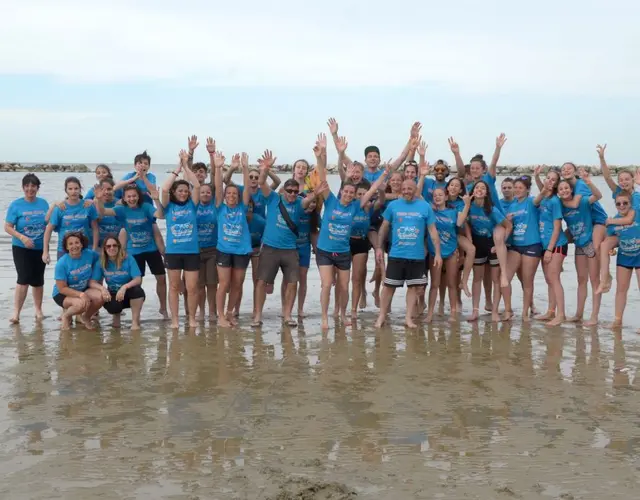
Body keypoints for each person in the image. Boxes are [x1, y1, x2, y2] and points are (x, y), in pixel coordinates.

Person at [252, 150, 316, 327]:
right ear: (283, 191)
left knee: (292, 282)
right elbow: (262, 182)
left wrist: (316, 190)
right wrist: (265, 168)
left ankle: (287, 315)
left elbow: (309, 198)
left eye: (296, 191)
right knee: (261, 281)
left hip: (290, 249)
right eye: (289, 191)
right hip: (270, 248)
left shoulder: (299, 203)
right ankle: (257, 316)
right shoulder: (273, 199)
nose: (293, 194)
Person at [374, 179, 442, 328]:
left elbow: (432, 230)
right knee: (388, 287)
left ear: (415, 189)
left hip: (416, 256)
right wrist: (379, 247)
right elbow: (384, 227)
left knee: (413, 288)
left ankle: (408, 318)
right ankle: (381, 316)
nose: (406, 191)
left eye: (409, 188)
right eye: (404, 188)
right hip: (396, 254)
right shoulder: (393, 206)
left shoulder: (425, 207)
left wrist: (437, 253)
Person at [93, 183, 168, 319]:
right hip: (134, 251)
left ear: (138, 196)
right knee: (137, 282)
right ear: (124, 198)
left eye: (134, 196)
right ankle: (136, 312)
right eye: (129, 196)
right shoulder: (122, 209)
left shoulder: (146, 207)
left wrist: (156, 199)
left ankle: (163, 308)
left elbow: (161, 215)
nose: (132, 199)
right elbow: (103, 212)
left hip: (151, 248)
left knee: (161, 278)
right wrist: (98, 199)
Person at [313, 133, 361, 329]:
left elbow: (373, 187)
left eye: (352, 192)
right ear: (341, 191)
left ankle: (341, 314)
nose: (349, 194)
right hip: (324, 250)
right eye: (346, 191)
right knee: (326, 285)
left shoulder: (355, 206)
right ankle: (324, 318)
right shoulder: (330, 200)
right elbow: (322, 177)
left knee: (343, 286)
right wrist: (320, 155)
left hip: (343, 252)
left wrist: (384, 175)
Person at [211, 141, 253, 328]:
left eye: (235, 194)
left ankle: (230, 312)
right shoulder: (220, 208)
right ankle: (220, 316)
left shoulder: (243, 208)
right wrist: (218, 168)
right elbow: (218, 188)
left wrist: (245, 168)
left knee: (238, 284)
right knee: (224, 283)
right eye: (229, 194)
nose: (231, 196)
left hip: (242, 250)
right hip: (224, 251)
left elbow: (246, 188)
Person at [158, 150, 201, 329]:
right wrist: (178, 167)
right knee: (174, 287)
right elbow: (165, 188)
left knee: (191, 288)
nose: (183, 193)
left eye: (185, 191)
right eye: (180, 191)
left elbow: (197, 186)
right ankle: (175, 320)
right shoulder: (168, 207)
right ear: (175, 193)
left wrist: (186, 166)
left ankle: (191, 318)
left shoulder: (193, 204)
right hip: (174, 252)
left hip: (192, 252)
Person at [558, 169, 603, 326]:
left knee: (594, 280)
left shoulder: (583, 201)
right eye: (560, 189)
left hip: (590, 242)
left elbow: (598, 196)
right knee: (581, 279)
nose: (564, 190)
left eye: (566, 188)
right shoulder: (562, 207)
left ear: (571, 189)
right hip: (578, 245)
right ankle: (578, 314)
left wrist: (589, 182)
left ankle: (594, 316)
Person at [4, 173, 49, 323]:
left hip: (39, 247)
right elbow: (7, 227)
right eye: (27, 186)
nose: (30, 189)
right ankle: (16, 313)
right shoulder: (16, 205)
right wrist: (22, 238)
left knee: (38, 280)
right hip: (21, 247)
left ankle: (38, 310)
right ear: (23, 188)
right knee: (23, 279)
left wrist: (46, 250)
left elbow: (49, 224)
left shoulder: (43, 203)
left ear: (37, 187)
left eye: (33, 186)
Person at [466, 181, 512, 323]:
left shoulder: (491, 209)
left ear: (486, 193)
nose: (480, 190)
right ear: (473, 191)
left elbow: (508, 226)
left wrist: (501, 242)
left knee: (496, 279)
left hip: (492, 243)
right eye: (477, 187)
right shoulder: (468, 207)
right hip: (478, 242)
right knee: (477, 278)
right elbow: (465, 224)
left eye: (483, 188)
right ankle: (475, 311)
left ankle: (495, 311)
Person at [425, 188, 471, 323]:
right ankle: (429, 314)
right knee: (434, 284)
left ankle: (452, 312)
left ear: (446, 197)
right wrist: (422, 176)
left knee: (452, 284)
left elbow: (460, 221)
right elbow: (419, 197)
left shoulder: (453, 212)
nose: (437, 197)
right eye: (435, 195)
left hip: (451, 251)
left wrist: (467, 204)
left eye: (440, 195)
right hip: (435, 252)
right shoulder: (430, 211)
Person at [327, 117, 420, 182]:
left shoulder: (386, 172)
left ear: (379, 160)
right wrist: (335, 135)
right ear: (365, 160)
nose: (373, 158)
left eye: (376, 156)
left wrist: (411, 137)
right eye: (370, 156)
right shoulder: (358, 171)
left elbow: (402, 157)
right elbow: (342, 155)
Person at [501, 176, 542, 322]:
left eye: (520, 187)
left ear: (527, 189)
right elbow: (507, 227)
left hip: (532, 245)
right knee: (505, 278)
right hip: (515, 246)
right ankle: (508, 310)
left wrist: (539, 178)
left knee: (527, 280)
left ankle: (525, 313)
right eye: (515, 187)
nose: (517, 190)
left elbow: (541, 196)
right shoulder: (512, 206)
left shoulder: (531, 201)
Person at [533, 167, 568, 326]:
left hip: (556, 245)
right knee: (549, 279)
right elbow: (540, 193)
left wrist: (549, 249)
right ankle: (550, 311)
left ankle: (561, 314)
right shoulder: (544, 198)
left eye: (553, 180)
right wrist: (536, 176)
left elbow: (557, 228)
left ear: (556, 184)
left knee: (554, 279)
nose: (549, 181)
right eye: (548, 178)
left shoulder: (555, 201)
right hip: (544, 244)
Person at [90, 236, 145, 329]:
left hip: (128, 292)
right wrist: (102, 289)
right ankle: (116, 317)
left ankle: (135, 322)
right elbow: (92, 282)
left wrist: (124, 287)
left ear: (119, 247)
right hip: (112, 292)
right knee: (113, 309)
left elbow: (138, 279)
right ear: (104, 248)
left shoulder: (128, 258)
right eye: (108, 246)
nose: (112, 248)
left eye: (114, 245)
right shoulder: (101, 261)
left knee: (138, 291)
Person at [52, 231, 104, 330]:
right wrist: (81, 295)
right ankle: (66, 316)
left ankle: (86, 317)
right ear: (66, 247)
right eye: (70, 244)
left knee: (100, 296)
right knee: (81, 304)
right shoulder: (61, 263)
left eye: (77, 242)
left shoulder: (89, 254)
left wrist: (98, 279)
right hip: (62, 294)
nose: (74, 246)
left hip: (82, 289)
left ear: (81, 244)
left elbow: (102, 259)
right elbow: (62, 288)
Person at [603, 192, 640, 328]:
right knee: (621, 289)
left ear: (631, 204)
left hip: (639, 255)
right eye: (618, 204)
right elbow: (612, 240)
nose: (622, 206)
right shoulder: (613, 222)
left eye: (625, 203)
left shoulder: (637, 214)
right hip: (624, 256)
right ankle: (617, 321)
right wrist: (611, 249)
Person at [42, 176, 99, 262]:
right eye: (70, 189)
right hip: (64, 250)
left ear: (80, 190)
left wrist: (94, 249)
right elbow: (48, 230)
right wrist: (45, 252)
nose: (73, 191)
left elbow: (95, 228)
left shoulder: (88, 206)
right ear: (66, 190)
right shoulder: (60, 208)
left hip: (84, 249)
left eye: (76, 188)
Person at [196, 182, 218, 322]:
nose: (205, 194)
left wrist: (216, 166)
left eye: (208, 192)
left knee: (212, 283)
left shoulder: (215, 206)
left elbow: (218, 186)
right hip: (196, 250)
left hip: (213, 250)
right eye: (202, 192)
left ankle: (212, 311)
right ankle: (202, 311)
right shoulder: (193, 206)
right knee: (199, 284)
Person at [94, 178, 123, 249]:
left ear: (114, 190)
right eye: (103, 189)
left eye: (109, 189)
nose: (106, 192)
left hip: (116, 244)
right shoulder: (93, 204)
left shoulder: (120, 204)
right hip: (100, 244)